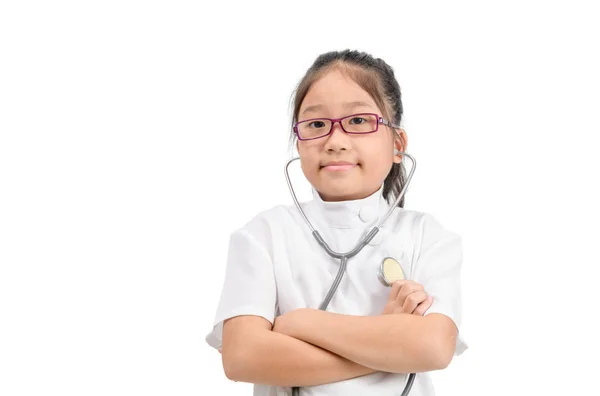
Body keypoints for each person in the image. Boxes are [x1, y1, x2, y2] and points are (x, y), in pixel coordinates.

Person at [205, 49, 468, 396]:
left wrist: (300, 323)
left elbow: (433, 347)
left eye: (358, 121)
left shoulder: (428, 236)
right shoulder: (263, 235)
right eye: (316, 125)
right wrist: (392, 342)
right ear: (299, 143)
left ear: (397, 144)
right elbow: (242, 357)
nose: (335, 142)